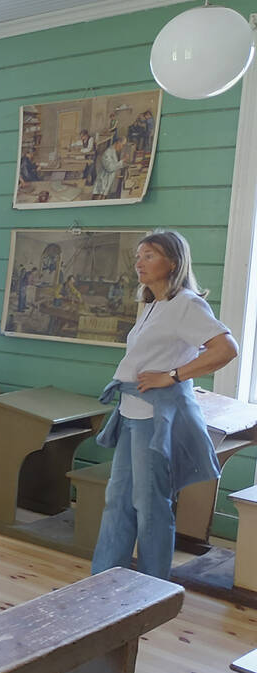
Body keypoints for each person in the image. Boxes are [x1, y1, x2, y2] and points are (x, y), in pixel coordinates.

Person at [90, 230, 237, 581]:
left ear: (174, 261)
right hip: (130, 413)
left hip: (153, 419)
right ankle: (104, 582)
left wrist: (172, 375)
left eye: (149, 255)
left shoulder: (186, 303)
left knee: (151, 506)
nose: (139, 262)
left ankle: (152, 588)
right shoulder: (154, 303)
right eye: (138, 256)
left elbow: (225, 349)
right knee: (118, 502)